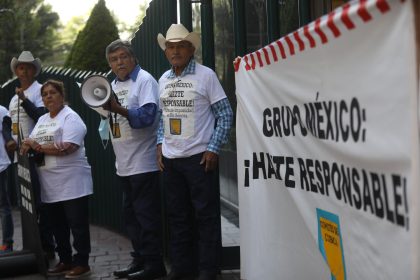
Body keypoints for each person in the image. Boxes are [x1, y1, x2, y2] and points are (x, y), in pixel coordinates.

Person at [156, 24, 233, 280]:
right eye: (171, 47)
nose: (175, 51)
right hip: (171, 161)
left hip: (199, 160)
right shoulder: (163, 80)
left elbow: (225, 114)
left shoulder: (206, 75)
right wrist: (159, 145)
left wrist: (213, 148)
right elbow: (161, 117)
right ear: (166, 51)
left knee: (206, 218)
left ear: (190, 49)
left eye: (180, 46)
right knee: (177, 218)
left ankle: (208, 271)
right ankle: (182, 269)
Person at [104, 39, 166, 280]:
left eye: (122, 57)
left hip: (143, 162)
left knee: (146, 218)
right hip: (124, 164)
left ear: (133, 58)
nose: (118, 62)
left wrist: (118, 109)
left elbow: (148, 117)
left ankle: (154, 266)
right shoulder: (111, 84)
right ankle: (139, 260)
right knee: (132, 218)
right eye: (113, 59)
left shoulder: (144, 80)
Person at [20, 80, 93, 279]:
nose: (49, 97)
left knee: (77, 225)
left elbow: (69, 147)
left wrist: (38, 147)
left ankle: (82, 263)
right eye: (45, 94)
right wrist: (28, 144)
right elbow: (30, 140)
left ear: (62, 95)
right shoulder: (43, 119)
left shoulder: (71, 117)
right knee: (58, 226)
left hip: (73, 182)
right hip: (49, 184)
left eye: (53, 92)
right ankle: (65, 260)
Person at [9, 50, 55, 258]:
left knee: (40, 204)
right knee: (27, 203)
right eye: (20, 67)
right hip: (20, 157)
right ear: (16, 71)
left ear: (34, 70)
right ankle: (33, 246)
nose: (24, 70)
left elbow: (41, 118)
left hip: (37, 155)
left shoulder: (39, 92)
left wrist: (24, 100)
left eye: (28, 67)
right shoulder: (12, 99)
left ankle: (47, 248)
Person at [0, 106, 17, 253]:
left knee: (3, 206)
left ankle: (7, 243)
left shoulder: (1, 111)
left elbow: (8, 134)